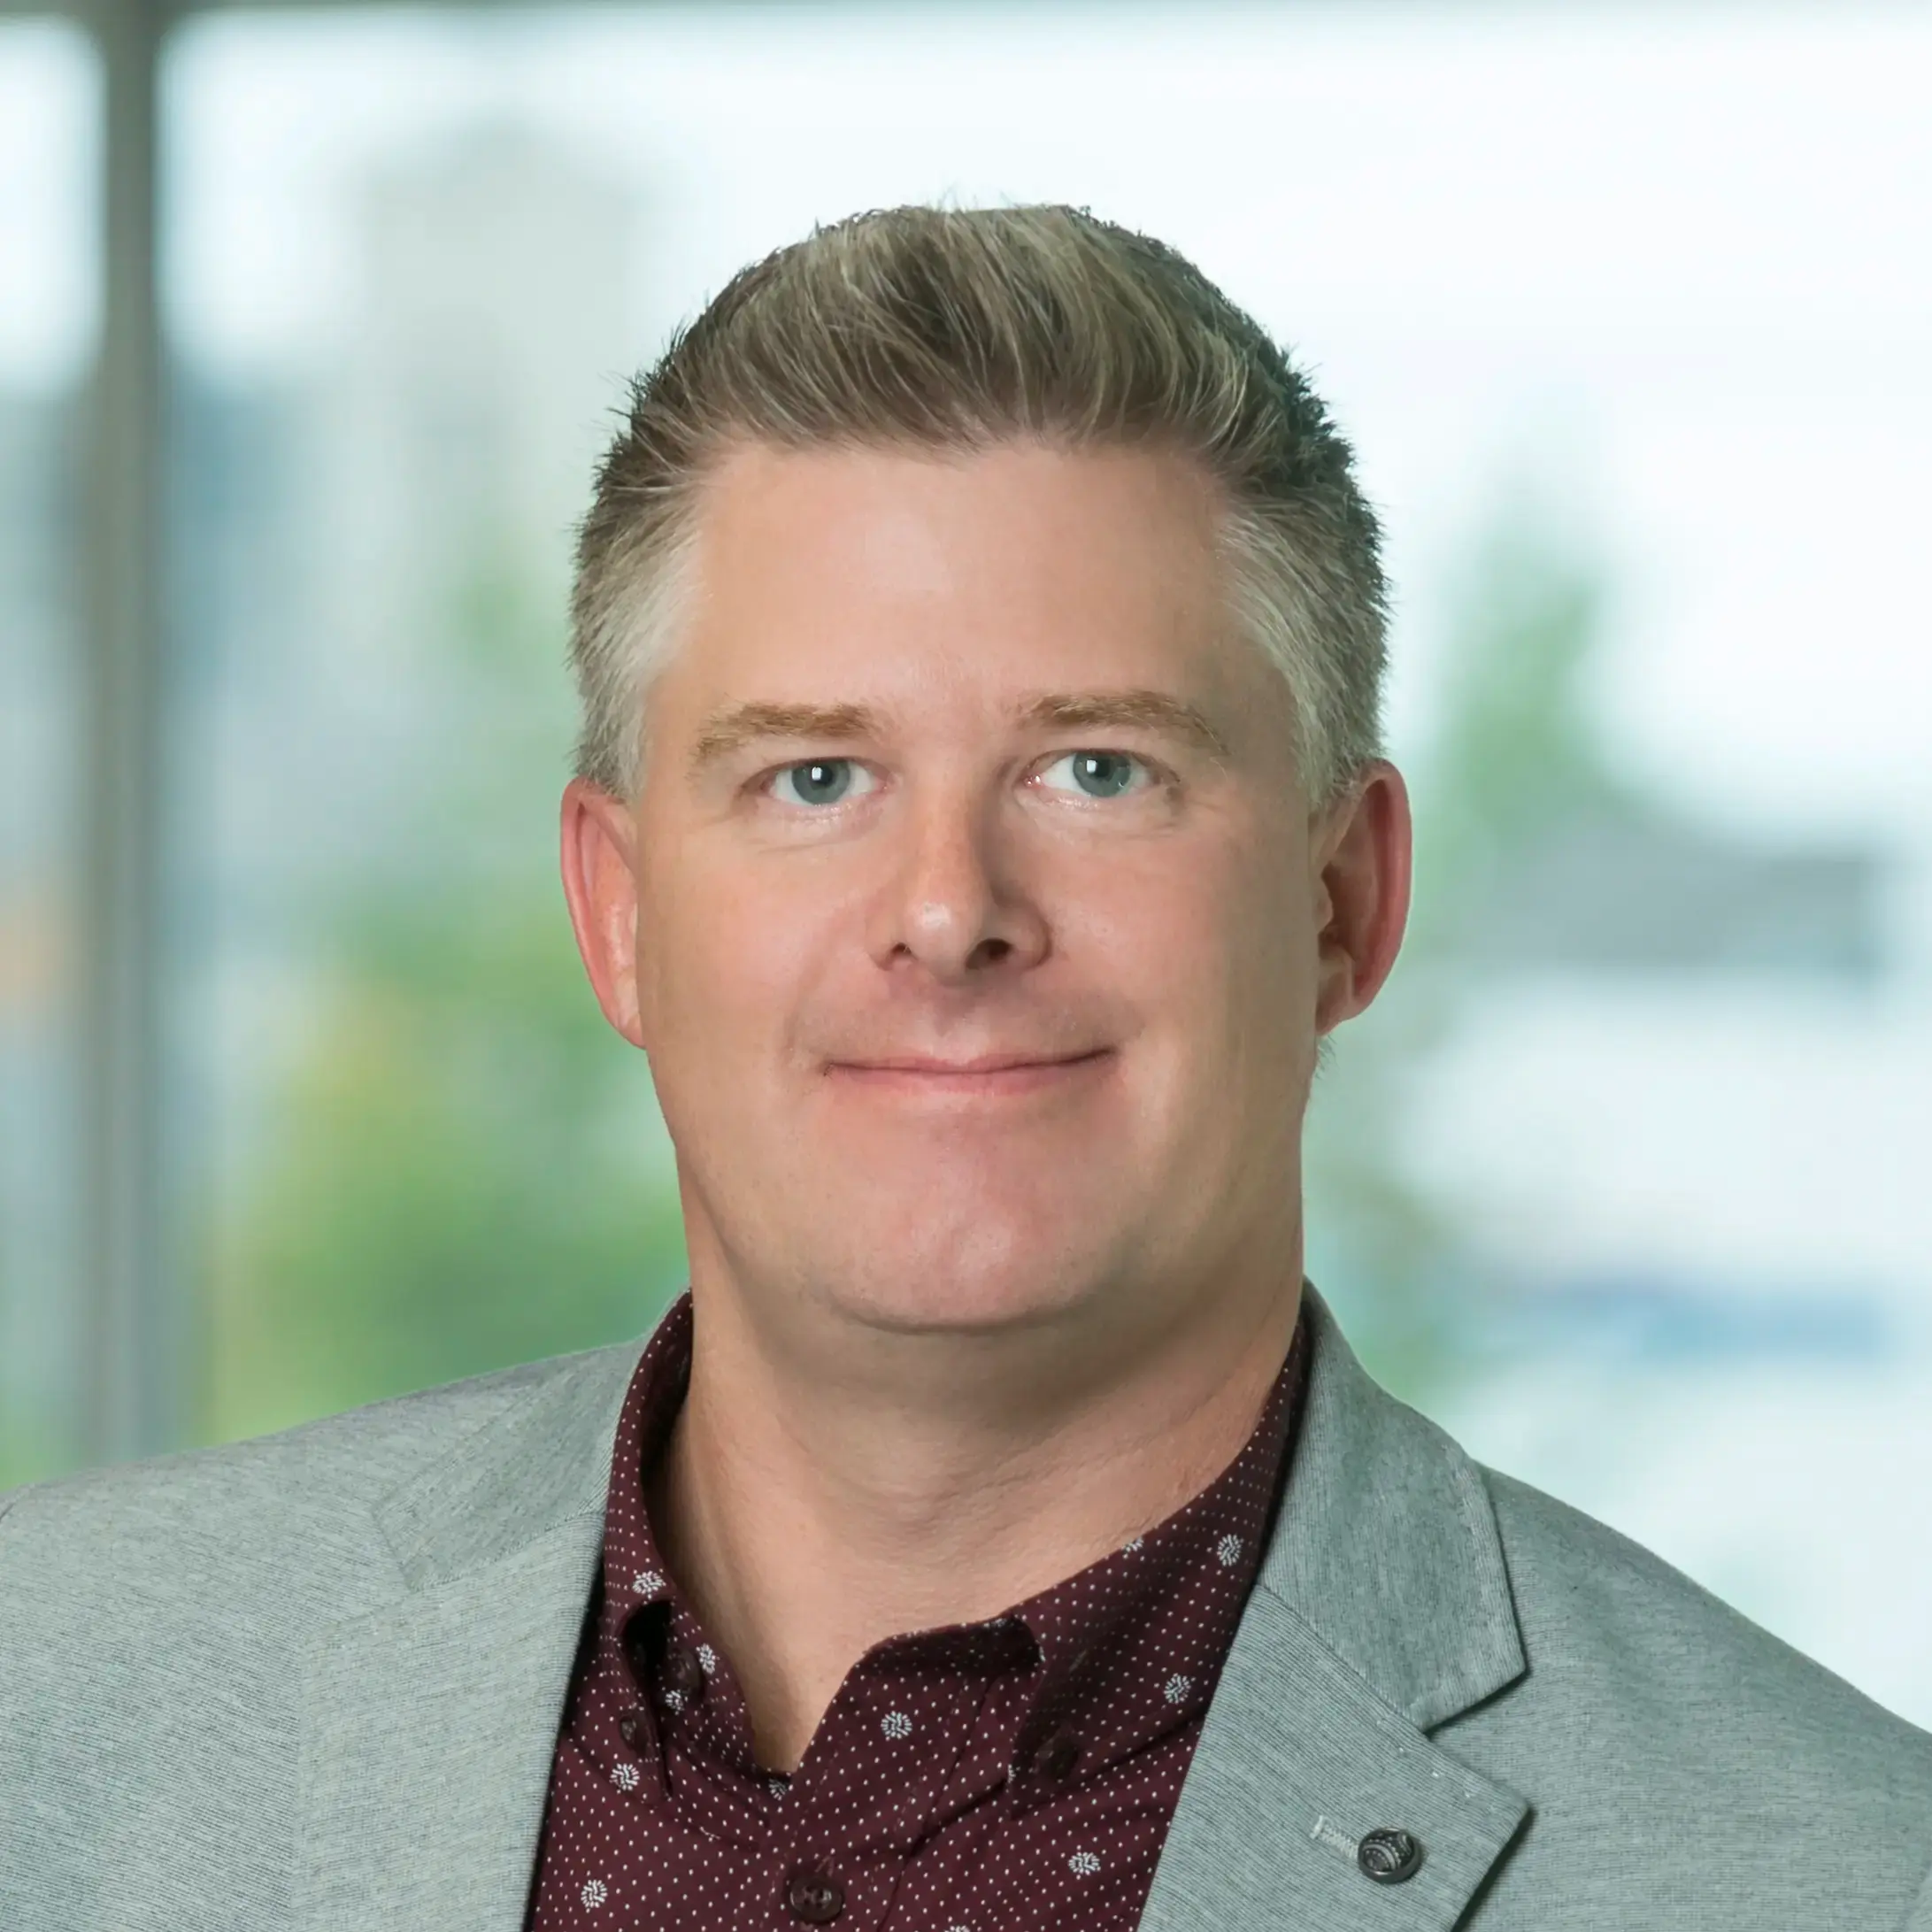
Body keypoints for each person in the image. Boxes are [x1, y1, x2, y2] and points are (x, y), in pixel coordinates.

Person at [3, 204, 1928, 1932]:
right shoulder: (55, 1702)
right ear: (617, 913)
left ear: (1341, 901)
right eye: (813, 776)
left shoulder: (1834, 1869)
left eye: (1098, 768)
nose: (947, 912)